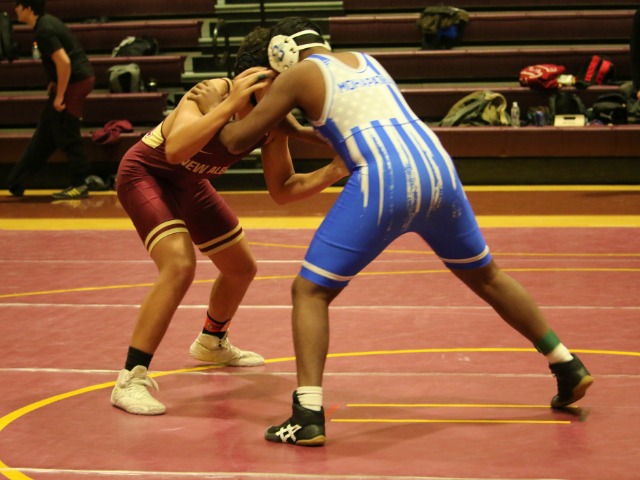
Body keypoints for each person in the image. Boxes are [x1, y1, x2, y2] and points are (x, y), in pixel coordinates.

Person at [215, 16, 594, 446]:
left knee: (310, 291)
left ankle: (307, 415)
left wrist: (233, 104)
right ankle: (566, 363)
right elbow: (353, 128)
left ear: (280, 52)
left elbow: (233, 140)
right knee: (487, 276)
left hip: (384, 179)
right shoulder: (366, 61)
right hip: (437, 168)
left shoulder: (298, 75)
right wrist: (298, 130)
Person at [110, 27, 347, 416]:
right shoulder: (212, 92)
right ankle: (130, 378)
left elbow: (283, 189)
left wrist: (333, 170)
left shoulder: (272, 119)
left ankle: (211, 341)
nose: (291, 92)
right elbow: (175, 150)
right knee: (179, 265)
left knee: (241, 268)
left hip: (191, 182)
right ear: (255, 76)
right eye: (284, 82)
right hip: (147, 175)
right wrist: (229, 104)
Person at [8, 0, 95, 200]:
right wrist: (54, 82)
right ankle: (16, 182)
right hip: (76, 79)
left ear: (28, 8)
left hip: (76, 82)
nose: (15, 9)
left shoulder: (44, 30)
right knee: (48, 130)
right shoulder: (46, 23)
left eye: (18, 5)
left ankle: (80, 184)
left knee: (66, 130)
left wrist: (60, 95)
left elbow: (64, 62)